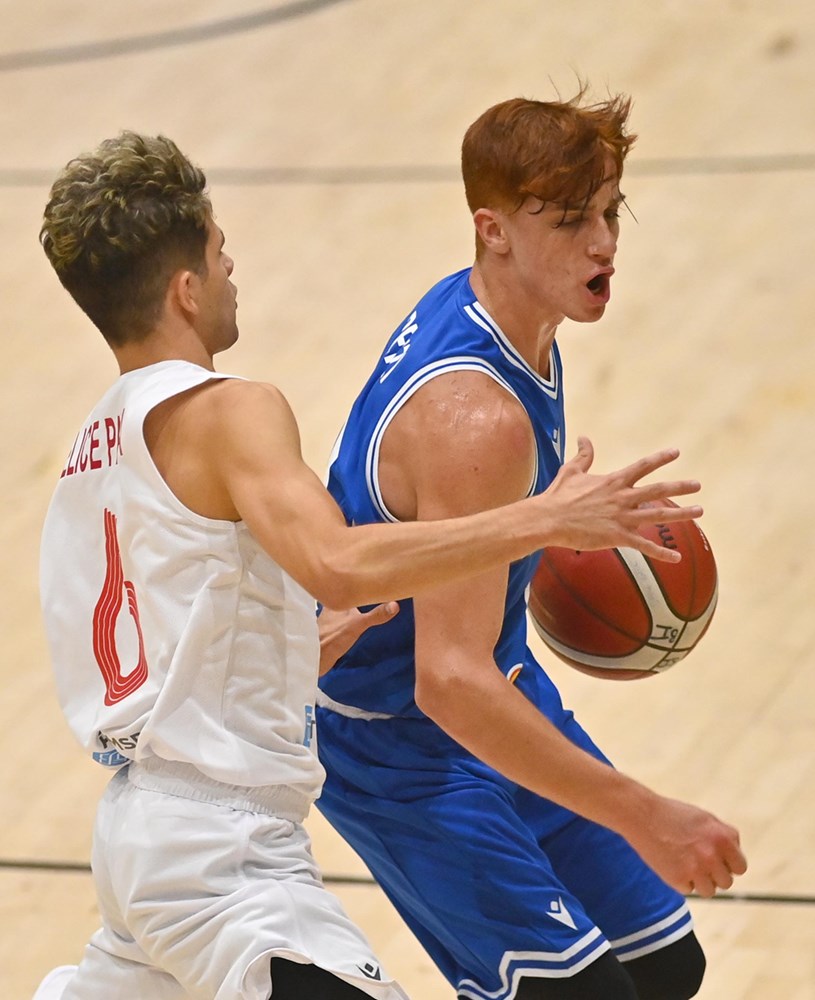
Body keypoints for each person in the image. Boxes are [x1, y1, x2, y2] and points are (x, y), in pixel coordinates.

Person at [32, 131, 703, 1000]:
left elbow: (174, 647)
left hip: (142, 826)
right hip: (222, 855)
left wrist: (289, 648)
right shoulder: (233, 411)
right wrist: (545, 517)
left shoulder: (93, 448)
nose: (233, 266)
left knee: (656, 968)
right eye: (219, 250)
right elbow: (338, 562)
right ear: (185, 289)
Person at [314, 90, 747, 1000]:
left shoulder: (511, 316)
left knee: (663, 967)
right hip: (398, 742)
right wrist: (648, 813)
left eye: (607, 211)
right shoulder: (476, 416)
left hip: (494, 683)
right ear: (493, 229)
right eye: (568, 221)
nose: (602, 243)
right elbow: (446, 680)